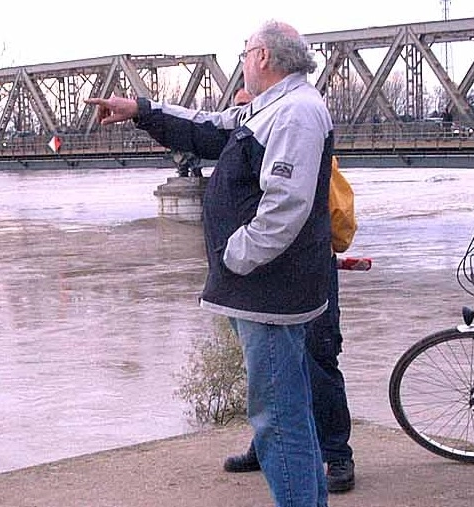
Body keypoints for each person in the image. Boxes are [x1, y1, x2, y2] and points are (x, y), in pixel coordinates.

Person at [86, 20, 333, 507]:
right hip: (267, 290)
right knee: (290, 412)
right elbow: (206, 128)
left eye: (245, 53)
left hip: (268, 292)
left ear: (262, 56)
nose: (242, 61)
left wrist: (235, 256)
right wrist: (141, 110)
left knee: (277, 421)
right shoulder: (271, 109)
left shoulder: (297, 112)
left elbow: (287, 205)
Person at [222, 88, 358, 491]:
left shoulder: (300, 139)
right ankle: (266, 448)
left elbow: (336, 216)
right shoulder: (244, 143)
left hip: (307, 269)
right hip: (261, 277)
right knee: (269, 367)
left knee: (318, 358)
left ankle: (337, 455)